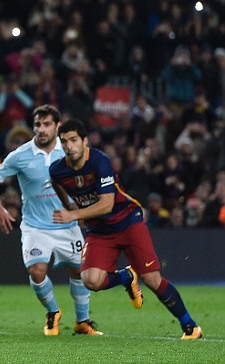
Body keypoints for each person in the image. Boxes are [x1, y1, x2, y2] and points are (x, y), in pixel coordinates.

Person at [50, 118, 203, 339]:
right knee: (91, 280)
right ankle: (125, 278)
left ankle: (190, 326)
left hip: (127, 221)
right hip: (99, 230)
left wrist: (73, 214)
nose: (69, 146)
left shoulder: (100, 161)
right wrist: (70, 206)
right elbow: (57, 184)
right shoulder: (58, 170)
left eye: (74, 140)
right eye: (64, 141)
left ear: (84, 141)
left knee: (152, 279)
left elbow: (107, 204)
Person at [0, 105, 102, 336]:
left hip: (67, 224)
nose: (41, 129)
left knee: (79, 272)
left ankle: (82, 321)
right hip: (35, 226)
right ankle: (52, 312)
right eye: (38, 124)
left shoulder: (70, 150)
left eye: (47, 124)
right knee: (37, 272)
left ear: (58, 126)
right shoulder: (20, 155)